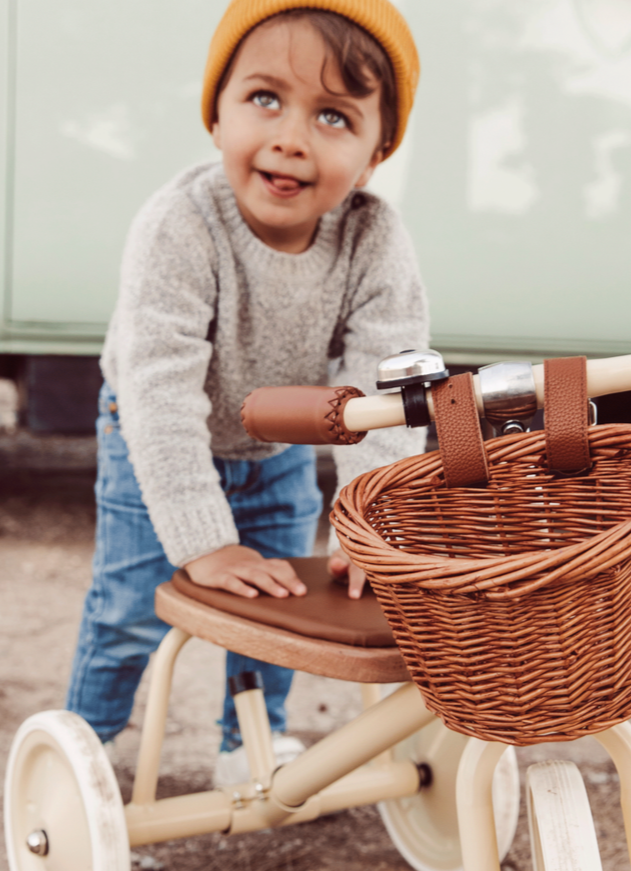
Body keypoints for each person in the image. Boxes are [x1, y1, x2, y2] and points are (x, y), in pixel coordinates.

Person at [65, 0, 428, 786]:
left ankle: (246, 742)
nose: (291, 137)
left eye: (334, 116)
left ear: (374, 155)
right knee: (132, 605)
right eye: (265, 99)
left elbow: (386, 385)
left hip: (275, 444)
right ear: (217, 115)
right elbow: (160, 390)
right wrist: (201, 539)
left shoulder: (374, 238)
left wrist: (368, 519)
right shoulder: (180, 224)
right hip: (150, 434)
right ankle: (81, 751)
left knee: (275, 604)